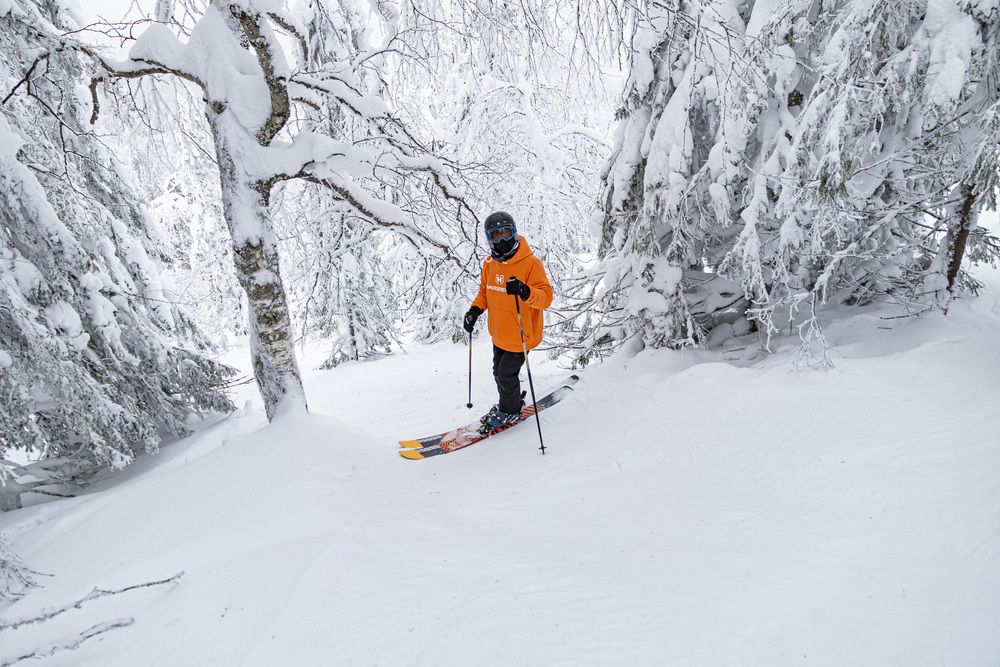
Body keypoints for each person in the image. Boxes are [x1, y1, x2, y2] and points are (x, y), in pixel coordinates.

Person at [463, 211, 553, 431]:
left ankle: (509, 411)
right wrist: (475, 310)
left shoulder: (530, 264)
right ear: (489, 239)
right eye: (496, 235)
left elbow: (546, 297)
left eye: (506, 233)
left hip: (522, 335)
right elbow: (485, 291)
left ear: (514, 233)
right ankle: (512, 401)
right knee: (499, 373)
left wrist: (524, 291)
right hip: (500, 333)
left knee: (505, 375)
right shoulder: (489, 264)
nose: (502, 240)